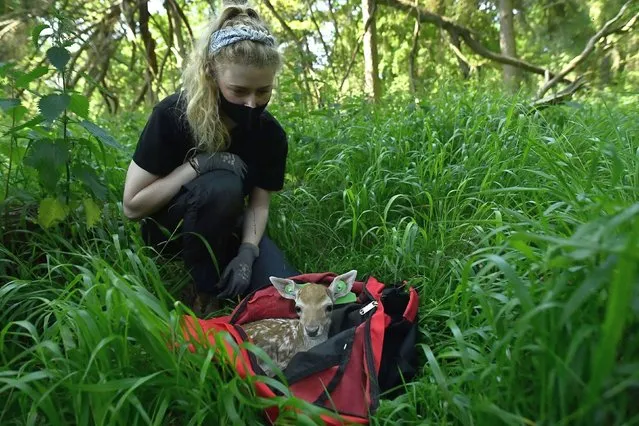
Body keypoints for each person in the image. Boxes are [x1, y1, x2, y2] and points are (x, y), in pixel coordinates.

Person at [122, 2, 300, 313]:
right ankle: (203, 290)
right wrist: (198, 166)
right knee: (224, 183)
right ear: (211, 75)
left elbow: (258, 204)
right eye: (238, 90)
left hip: (229, 227)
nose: (251, 103)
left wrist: (247, 252)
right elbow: (132, 206)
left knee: (285, 296)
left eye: (263, 92)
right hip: (170, 234)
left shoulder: (271, 134)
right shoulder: (172, 115)